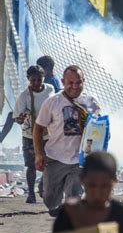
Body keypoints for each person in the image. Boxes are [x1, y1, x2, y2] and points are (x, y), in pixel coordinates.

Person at [34, 65, 100, 216]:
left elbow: (99, 128)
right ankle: (50, 193)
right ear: (63, 81)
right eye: (70, 83)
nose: (75, 87)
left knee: (74, 197)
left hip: (80, 160)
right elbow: (38, 128)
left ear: (84, 81)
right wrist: (38, 154)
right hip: (55, 158)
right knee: (50, 199)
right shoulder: (52, 102)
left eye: (79, 83)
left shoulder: (90, 102)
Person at [13, 65, 55, 203]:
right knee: (31, 165)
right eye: (33, 80)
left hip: (48, 133)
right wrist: (21, 118)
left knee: (48, 162)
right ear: (28, 80)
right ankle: (31, 194)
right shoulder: (23, 96)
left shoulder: (50, 89)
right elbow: (17, 118)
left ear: (43, 78)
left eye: (39, 79)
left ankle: (42, 186)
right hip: (29, 135)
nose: (36, 83)